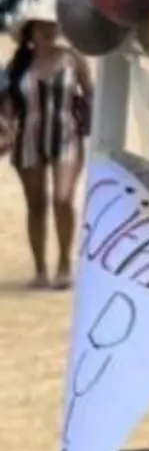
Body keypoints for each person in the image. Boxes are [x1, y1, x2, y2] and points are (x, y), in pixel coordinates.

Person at [3, 15, 92, 288]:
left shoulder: (72, 59)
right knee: (36, 204)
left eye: (51, 26)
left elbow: (90, 93)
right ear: (30, 33)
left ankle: (65, 262)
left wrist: (91, 124)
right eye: (41, 27)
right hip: (28, 137)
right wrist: (6, 130)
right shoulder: (18, 65)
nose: (47, 31)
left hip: (67, 135)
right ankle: (40, 269)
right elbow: (7, 105)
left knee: (63, 198)